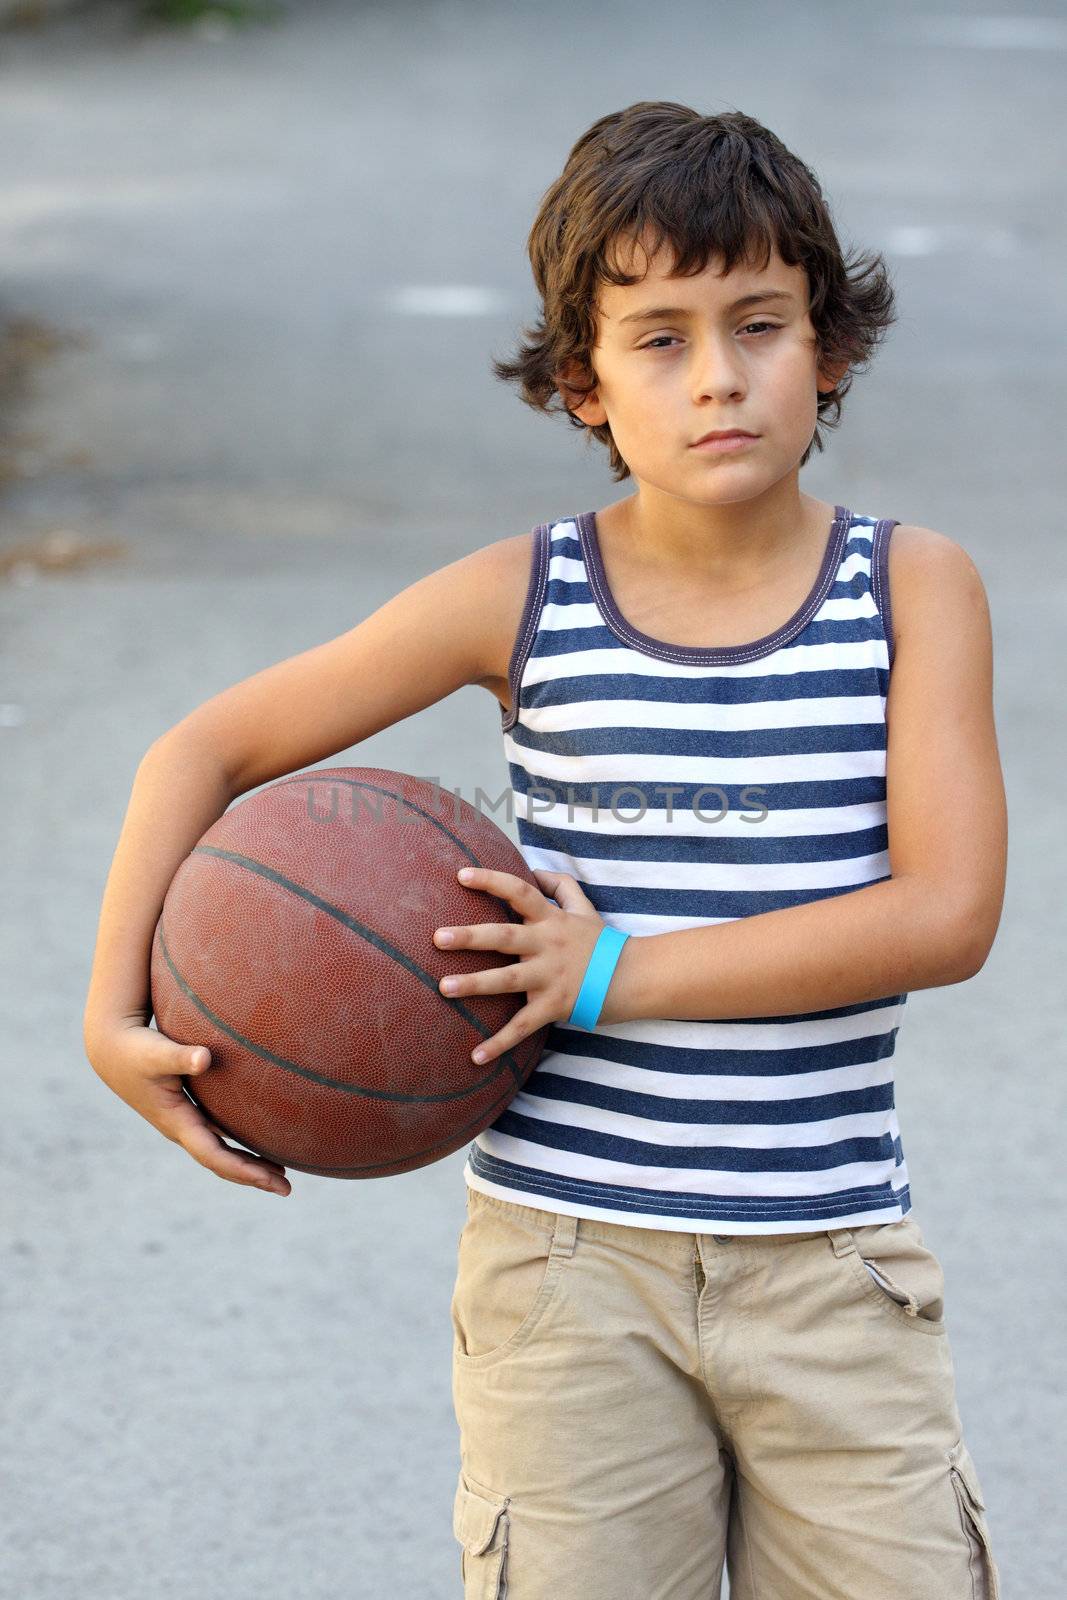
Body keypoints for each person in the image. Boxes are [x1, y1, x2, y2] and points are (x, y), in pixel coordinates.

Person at [83, 101, 1007, 1599]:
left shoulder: (912, 591)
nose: (718, 376)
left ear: (828, 349)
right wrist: (110, 1013)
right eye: (659, 338)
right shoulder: (526, 597)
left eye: (759, 324)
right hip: (568, 1268)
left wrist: (613, 974)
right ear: (582, 381)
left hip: (831, 1268)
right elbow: (204, 749)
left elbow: (947, 914)